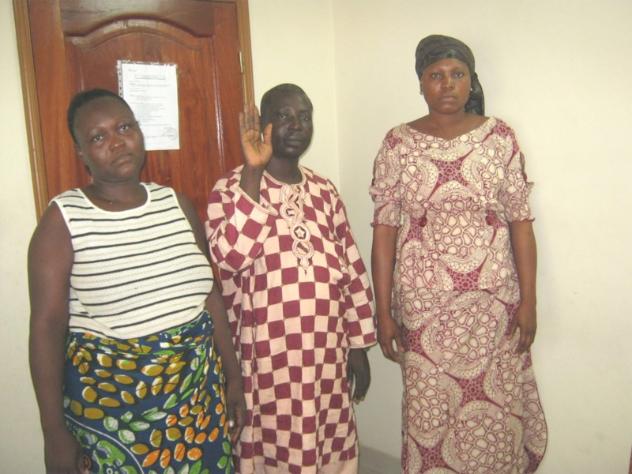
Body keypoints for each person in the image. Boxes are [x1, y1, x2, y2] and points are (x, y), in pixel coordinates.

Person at [28, 88, 246, 474]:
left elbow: (209, 295)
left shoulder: (177, 204)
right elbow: (46, 327)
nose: (117, 142)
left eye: (125, 127)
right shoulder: (63, 219)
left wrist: (233, 377)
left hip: (198, 406)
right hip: (117, 418)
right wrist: (52, 431)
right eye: (98, 137)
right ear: (81, 153)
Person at [370, 35, 548, 473]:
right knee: (429, 409)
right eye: (436, 75)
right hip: (423, 309)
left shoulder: (499, 137)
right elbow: (384, 233)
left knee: (496, 408)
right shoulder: (397, 144)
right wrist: (384, 311)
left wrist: (529, 301)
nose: (447, 84)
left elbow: (521, 223)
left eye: (457, 74)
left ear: (471, 80)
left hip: (492, 306)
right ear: (420, 83)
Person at [206, 83, 376, 473]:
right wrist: (253, 172)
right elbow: (231, 258)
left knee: (327, 441)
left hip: (326, 353)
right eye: (284, 116)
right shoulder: (230, 189)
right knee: (276, 448)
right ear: (262, 125)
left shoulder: (324, 191)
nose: (296, 125)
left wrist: (358, 345)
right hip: (267, 360)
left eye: (304, 116)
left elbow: (351, 269)